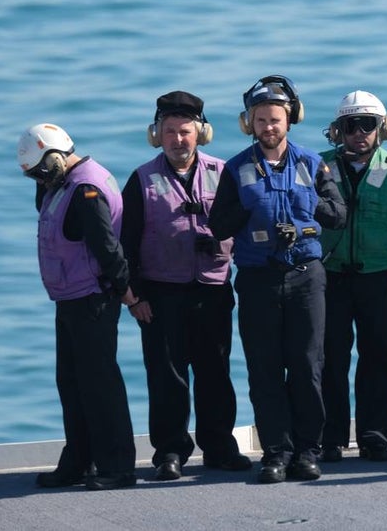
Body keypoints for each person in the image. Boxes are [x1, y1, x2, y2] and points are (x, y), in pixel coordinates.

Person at [208, 76, 346, 483]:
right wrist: (251, 209)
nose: (269, 127)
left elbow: (337, 215)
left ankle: (307, 451)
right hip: (258, 280)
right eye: (261, 120)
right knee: (264, 369)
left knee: (307, 367)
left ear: (291, 120)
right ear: (249, 123)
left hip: (306, 277)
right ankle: (276, 452)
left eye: (276, 119)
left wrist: (305, 213)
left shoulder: (311, 163)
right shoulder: (236, 169)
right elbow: (218, 226)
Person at [120, 91, 252, 481]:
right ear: (157, 135)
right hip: (161, 294)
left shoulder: (223, 172)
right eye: (170, 132)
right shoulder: (142, 179)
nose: (179, 139)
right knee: (166, 376)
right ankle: (169, 452)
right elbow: (125, 242)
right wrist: (134, 297)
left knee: (215, 371)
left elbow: (242, 225)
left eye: (186, 132)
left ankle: (219, 446)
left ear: (201, 134)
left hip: (212, 290)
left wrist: (220, 243)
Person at [17, 123, 138, 491]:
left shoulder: (86, 189)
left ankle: (117, 466)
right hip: (70, 299)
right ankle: (80, 460)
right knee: (71, 383)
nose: (39, 179)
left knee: (100, 384)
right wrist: (43, 179)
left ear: (56, 157)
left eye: (41, 170)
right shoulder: (61, 184)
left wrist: (127, 293)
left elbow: (106, 246)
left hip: (92, 299)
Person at [318, 91, 387, 464]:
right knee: (328, 358)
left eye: (368, 125)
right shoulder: (318, 167)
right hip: (329, 277)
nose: (359, 133)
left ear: (382, 129)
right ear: (338, 130)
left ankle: (376, 435)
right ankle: (329, 437)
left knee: (379, 356)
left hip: (378, 277)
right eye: (351, 125)